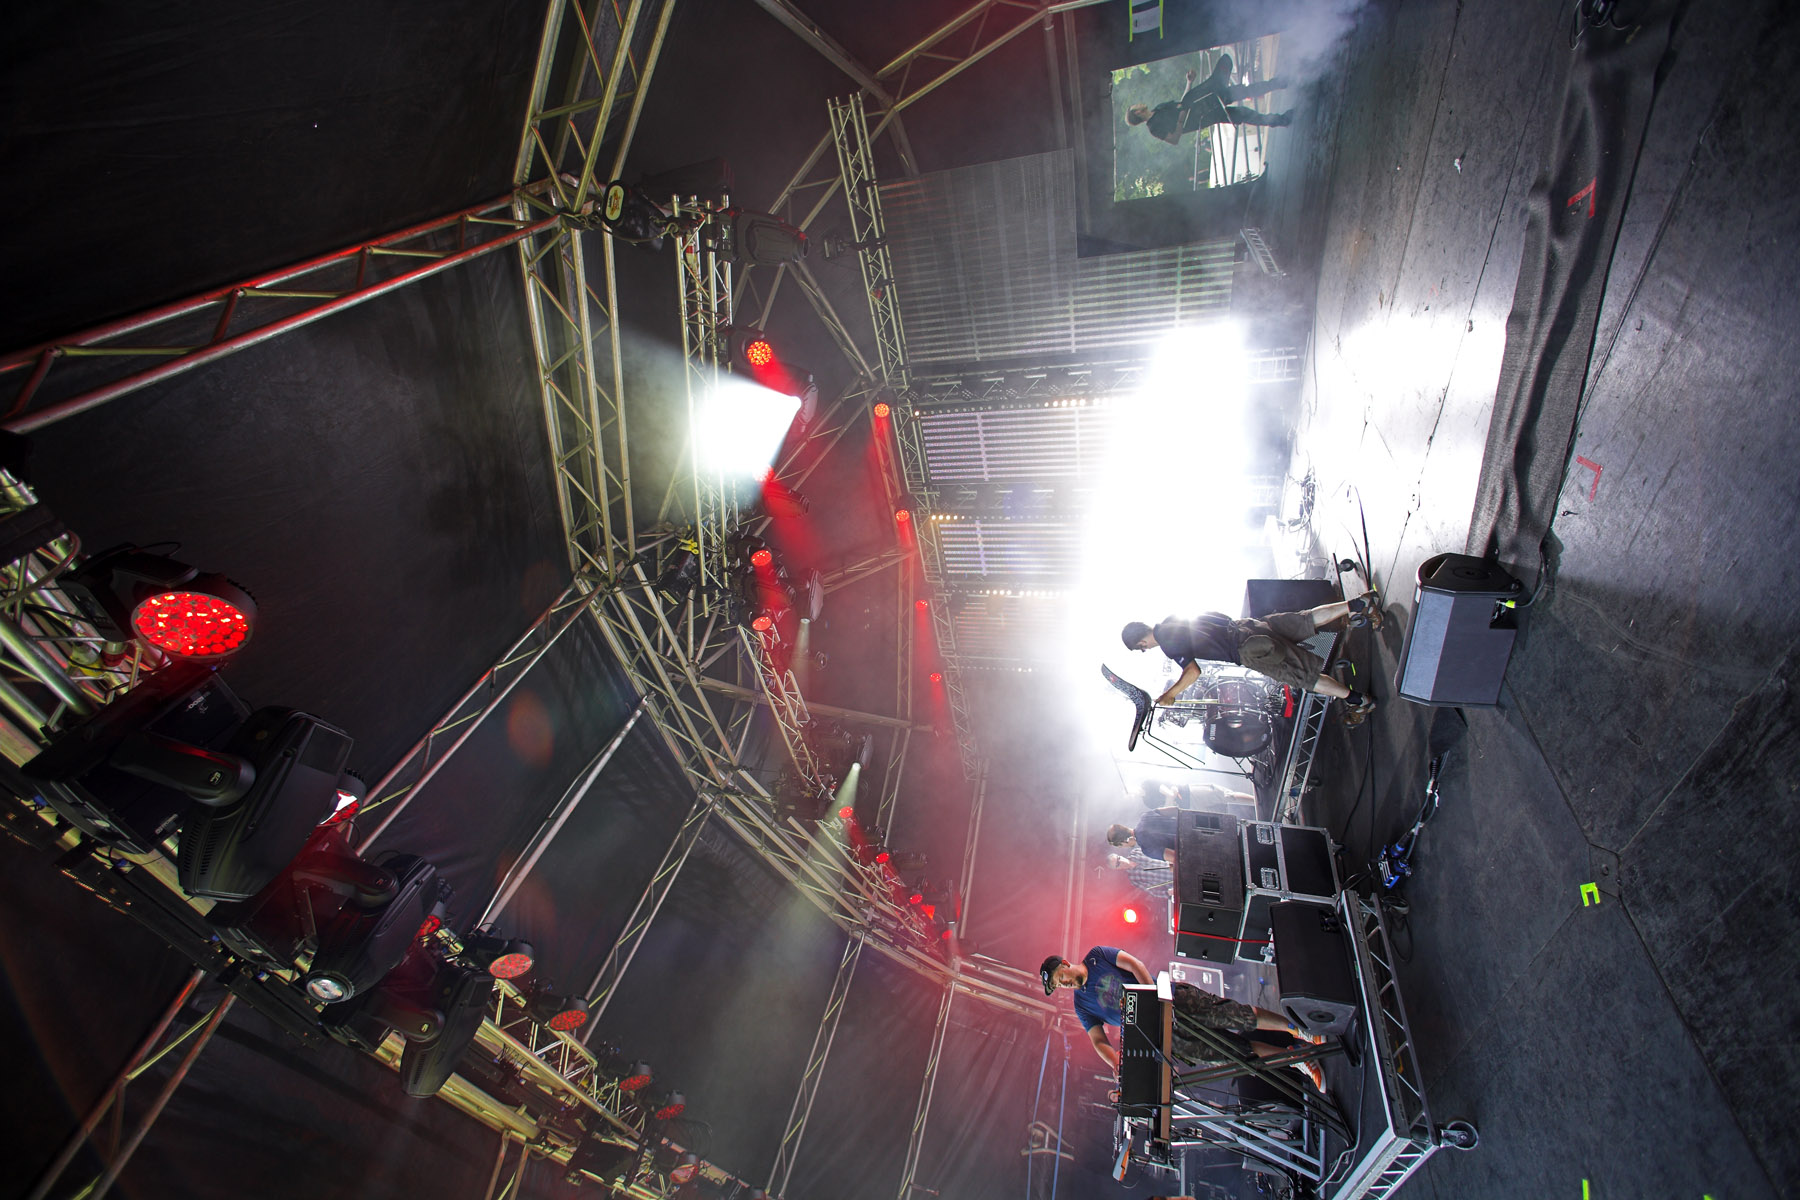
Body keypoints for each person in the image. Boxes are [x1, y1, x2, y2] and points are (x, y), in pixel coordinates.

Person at [1039, 947, 1325, 1091]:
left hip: (1174, 1000)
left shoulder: (1097, 955)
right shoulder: (1081, 1005)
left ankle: (1298, 1030)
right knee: (1236, 1055)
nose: (1063, 984)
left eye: (1059, 977)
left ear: (1065, 963)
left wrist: (1151, 998)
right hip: (1164, 1035)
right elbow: (1098, 1039)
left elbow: (1135, 964)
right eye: (1058, 985)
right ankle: (1297, 1059)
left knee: (1236, 1015)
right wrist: (1114, 1061)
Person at [1121, 593, 1382, 717]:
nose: (1146, 649)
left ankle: (1359, 700)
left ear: (1141, 642)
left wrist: (1171, 694)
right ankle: (1359, 604)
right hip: (1248, 627)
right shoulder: (1171, 618)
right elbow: (1216, 616)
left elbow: (1193, 672)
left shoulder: (1167, 643)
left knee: (1305, 678)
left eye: (1142, 648)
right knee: (1306, 620)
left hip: (1250, 649)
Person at [1125, 54, 1291, 146]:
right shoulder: (1154, 128)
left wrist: (1189, 82)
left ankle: (1279, 84)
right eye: (1136, 106)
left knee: (1241, 87)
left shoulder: (1158, 108)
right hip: (1207, 114)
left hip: (1207, 97)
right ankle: (1281, 119)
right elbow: (1174, 139)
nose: (1139, 103)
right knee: (1244, 114)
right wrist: (1181, 119)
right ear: (1137, 112)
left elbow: (1182, 104)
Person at [1107, 847, 1173, 899]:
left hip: (1175, 862)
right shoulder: (1133, 879)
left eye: (1118, 858)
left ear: (1120, 855)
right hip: (1174, 882)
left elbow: (1157, 850)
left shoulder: (1136, 852)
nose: (1121, 861)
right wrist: (1168, 893)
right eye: (1118, 864)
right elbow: (1152, 891)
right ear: (1117, 869)